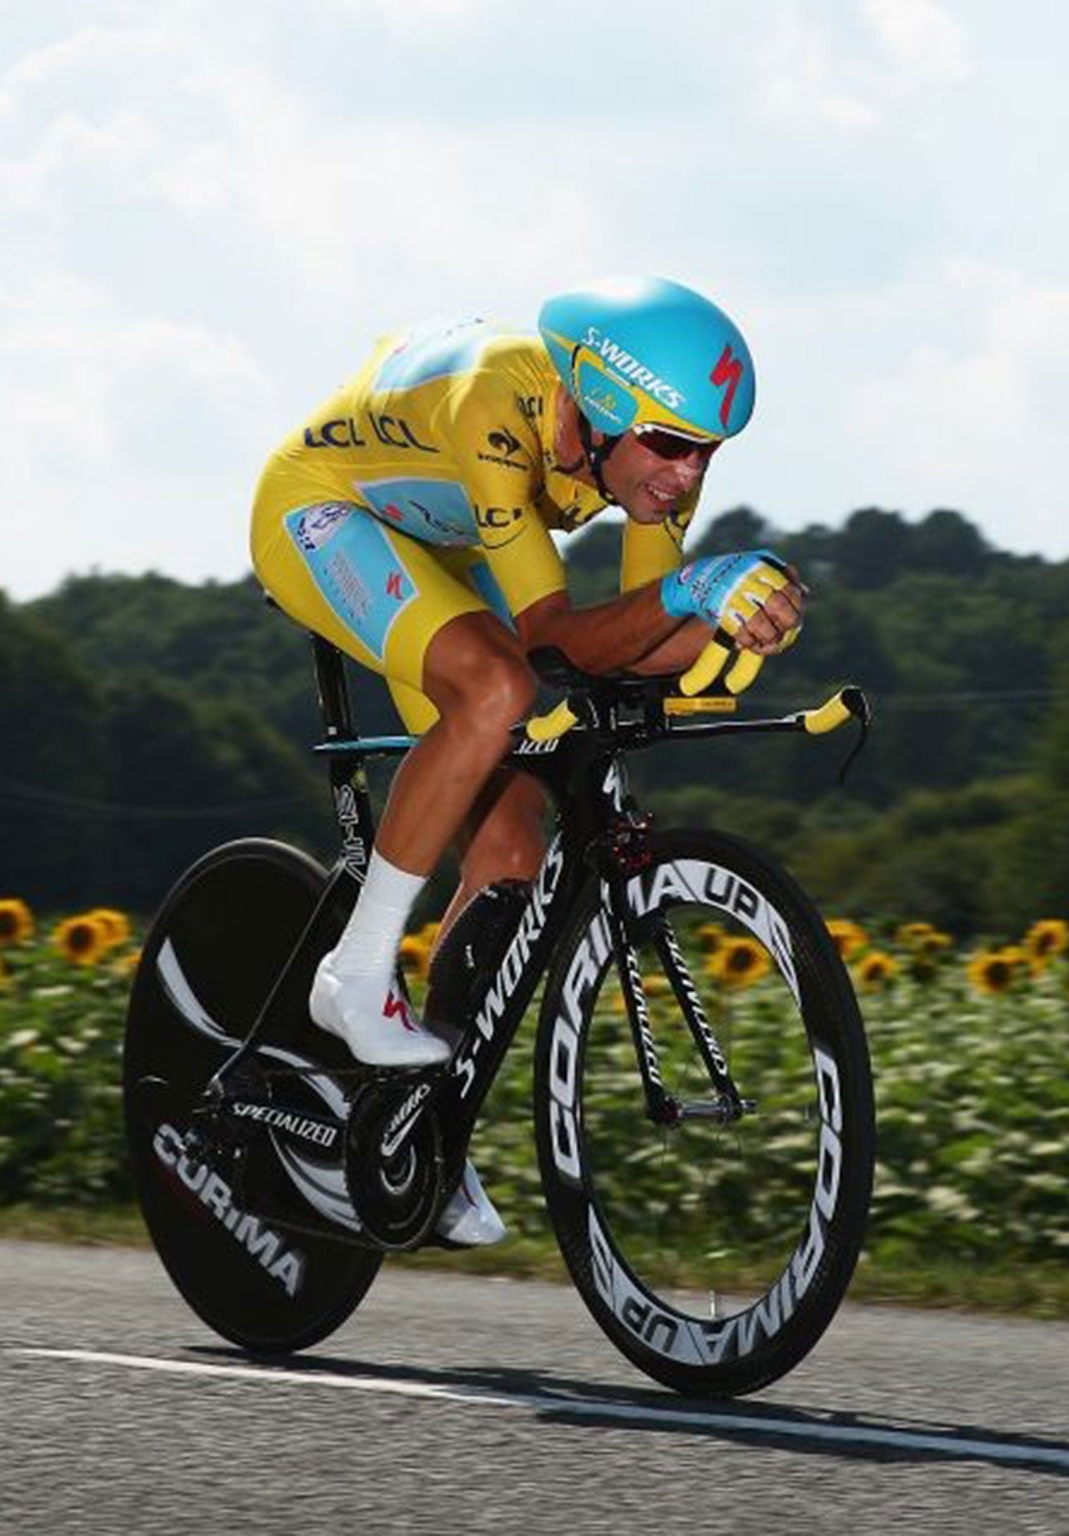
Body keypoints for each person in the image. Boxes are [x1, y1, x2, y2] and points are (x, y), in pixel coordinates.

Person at [248, 276, 805, 1243]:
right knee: (500, 687)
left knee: (511, 858)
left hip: (438, 547)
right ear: (595, 408)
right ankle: (355, 968)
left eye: (706, 451)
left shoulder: (644, 454)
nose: (684, 476)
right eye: (669, 445)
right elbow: (558, 641)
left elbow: (642, 640)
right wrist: (694, 593)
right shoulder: (496, 410)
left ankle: (424, 1130)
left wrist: (736, 622)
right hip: (320, 511)